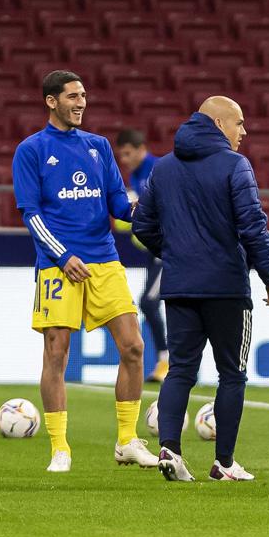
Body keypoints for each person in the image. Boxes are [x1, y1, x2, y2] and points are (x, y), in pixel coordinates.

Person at [11, 70, 157, 473]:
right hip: (58, 266)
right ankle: (60, 448)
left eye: (84, 96)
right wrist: (62, 256)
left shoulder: (99, 146)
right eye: (72, 96)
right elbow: (31, 213)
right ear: (51, 101)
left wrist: (148, 214)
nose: (80, 102)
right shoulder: (31, 150)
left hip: (104, 260)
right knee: (56, 351)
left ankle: (127, 440)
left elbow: (119, 204)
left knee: (133, 347)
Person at [132, 96, 269, 482]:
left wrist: (175, 254)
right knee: (232, 373)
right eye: (239, 123)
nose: (244, 132)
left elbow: (142, 226)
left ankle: (170, 450)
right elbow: (253, 225)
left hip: (179, 285)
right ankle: (225, 463)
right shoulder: (235, 166)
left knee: (180, 370)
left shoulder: (164, 168)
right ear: (219, 123)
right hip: (226, 288)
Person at [114, 128, 168, 383]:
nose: (123, 160)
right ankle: (168, 361)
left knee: (148, 302)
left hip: (171, 248)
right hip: (156, 248)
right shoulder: (136, 176)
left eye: (126, 154)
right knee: (151, 303)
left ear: (140, 148)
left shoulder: (159, 169)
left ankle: (168, 360)